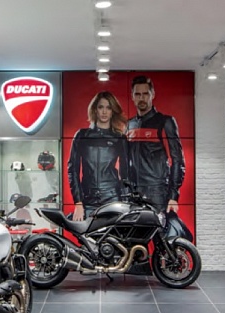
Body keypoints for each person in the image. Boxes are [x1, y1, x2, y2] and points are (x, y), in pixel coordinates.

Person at [127, 75, 185, 213]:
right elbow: (125, 160)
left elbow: (177, 159)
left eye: (145, 94)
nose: (142, 98)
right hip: (133, 192)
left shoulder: (165, 122)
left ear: (152, 94)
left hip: (158, 192)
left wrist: (173, 195)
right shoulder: (129, 125)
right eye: (138, 94)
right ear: (132, 96)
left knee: (161, 228)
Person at [68, 91, 128, 221]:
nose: (104, 112)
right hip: (88, 199)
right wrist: (78, 202)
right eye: (101, 107)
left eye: (108, 107)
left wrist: (126, 202)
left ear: (112, 111)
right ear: (95, 110)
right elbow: (73, 170)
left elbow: (125, 174)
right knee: (87, 234)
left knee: (113, 235)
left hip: (113, 198)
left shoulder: (119, 138)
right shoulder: (82, 135)